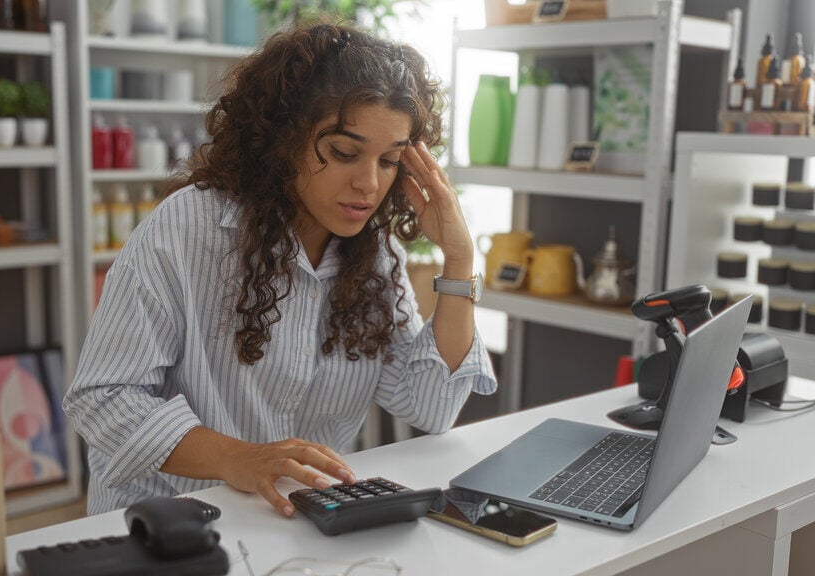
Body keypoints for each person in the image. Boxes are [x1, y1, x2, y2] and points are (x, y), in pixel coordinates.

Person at [64, 22, 497, 517]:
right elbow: (103, 399)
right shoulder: (189, 227)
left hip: (295, 521)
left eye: (390, 161)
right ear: (284, 139)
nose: (368, 184)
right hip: (164, 521)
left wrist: (459, 260)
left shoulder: (374, 257)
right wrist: (238, 459)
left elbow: (432, 406)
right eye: (344, 153)